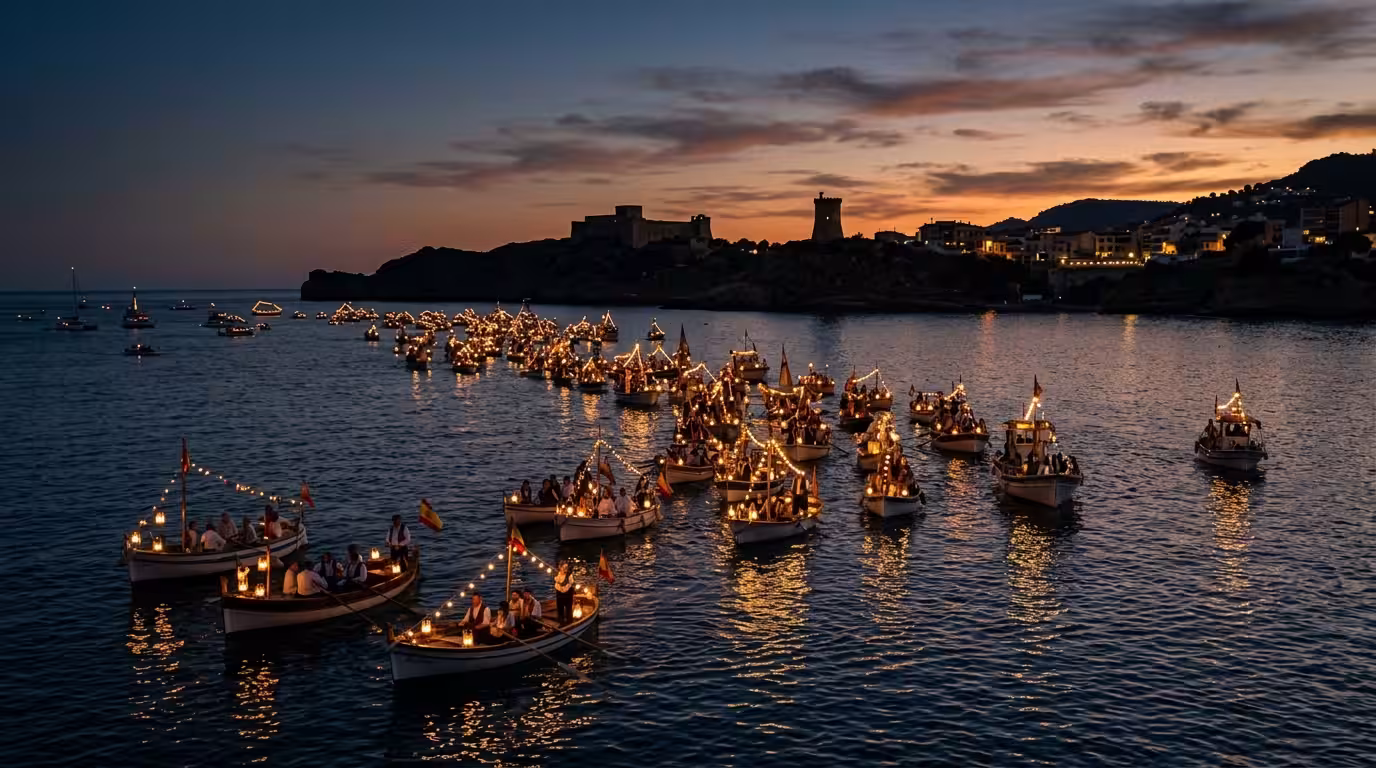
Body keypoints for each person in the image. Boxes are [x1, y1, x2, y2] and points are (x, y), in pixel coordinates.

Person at [554, 561, 574, 625]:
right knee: (560, 609)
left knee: (569, 610)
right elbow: (557, 580)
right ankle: (561, 622)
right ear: (560, 567)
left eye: (566, 567)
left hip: (568, 594)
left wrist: (567, 575)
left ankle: (569, 623)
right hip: (559, 593)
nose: (565, 569)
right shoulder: (557, 575)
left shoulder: (569, 575)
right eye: (564, 567)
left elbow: (571, 582)